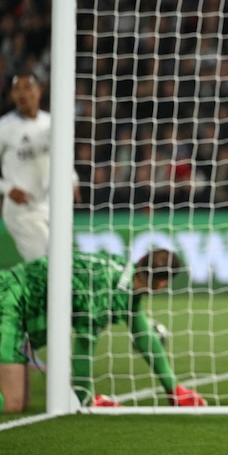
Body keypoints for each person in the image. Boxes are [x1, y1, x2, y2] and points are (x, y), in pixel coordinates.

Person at [0, 249, 206, 412]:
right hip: (9, 301)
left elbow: (144, 336)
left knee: (20, 401)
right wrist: (85, 399)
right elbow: (83, 349)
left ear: (141, 259)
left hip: (17, 303)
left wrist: (173, 388)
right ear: (162, 284)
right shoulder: (104, 296)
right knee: (13, 403)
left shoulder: (123, 276)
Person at [0, 73, 81, 262]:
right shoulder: (4, 127)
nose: (22, 93)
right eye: (17, 89)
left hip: (50, 206)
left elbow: (62, 155)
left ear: (39, 91)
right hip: (21, 212)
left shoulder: (51, 123)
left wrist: (72, 179)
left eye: (27, 87)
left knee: (60, 262)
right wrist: (8, 189)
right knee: (48, 263)